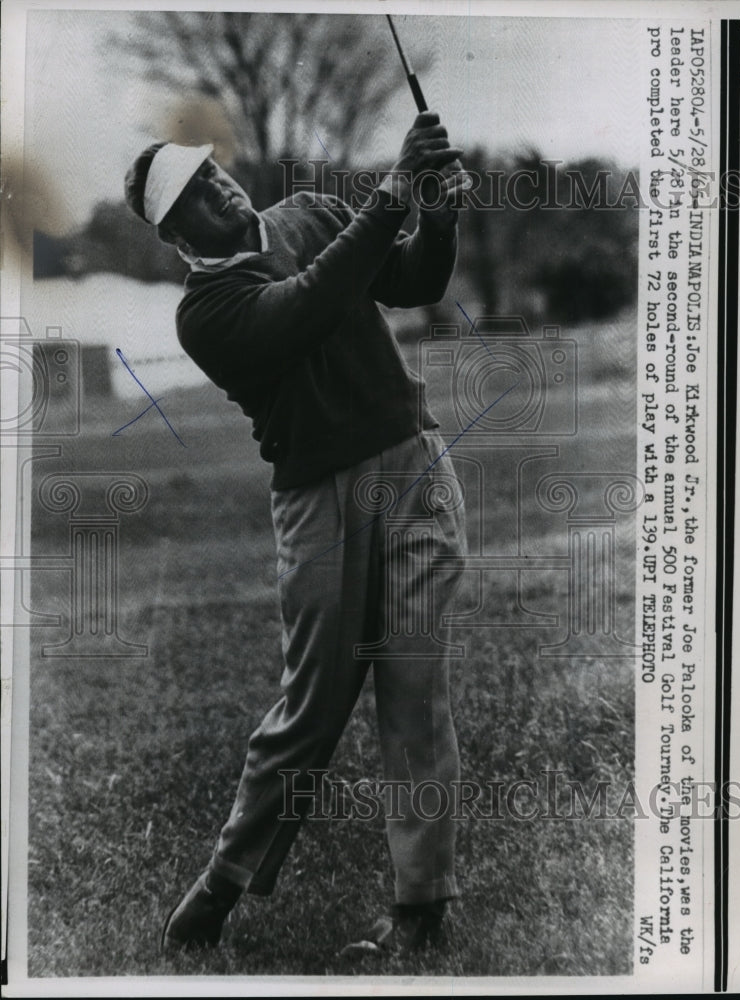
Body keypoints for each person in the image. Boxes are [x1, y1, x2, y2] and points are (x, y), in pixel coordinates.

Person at [124, 112, 469, 957]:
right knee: (310, 709)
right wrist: (392, 193)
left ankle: (420, 911)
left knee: (414, 690)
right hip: (319, 500)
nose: (219, 186)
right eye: (195, 193)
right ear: (175, 233)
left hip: (414, 463)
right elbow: (307, 306)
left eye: (213, 172)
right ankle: (224, 881)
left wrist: (439, 216)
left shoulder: (312, 212)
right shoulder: (204, 314)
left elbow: (410, 281)